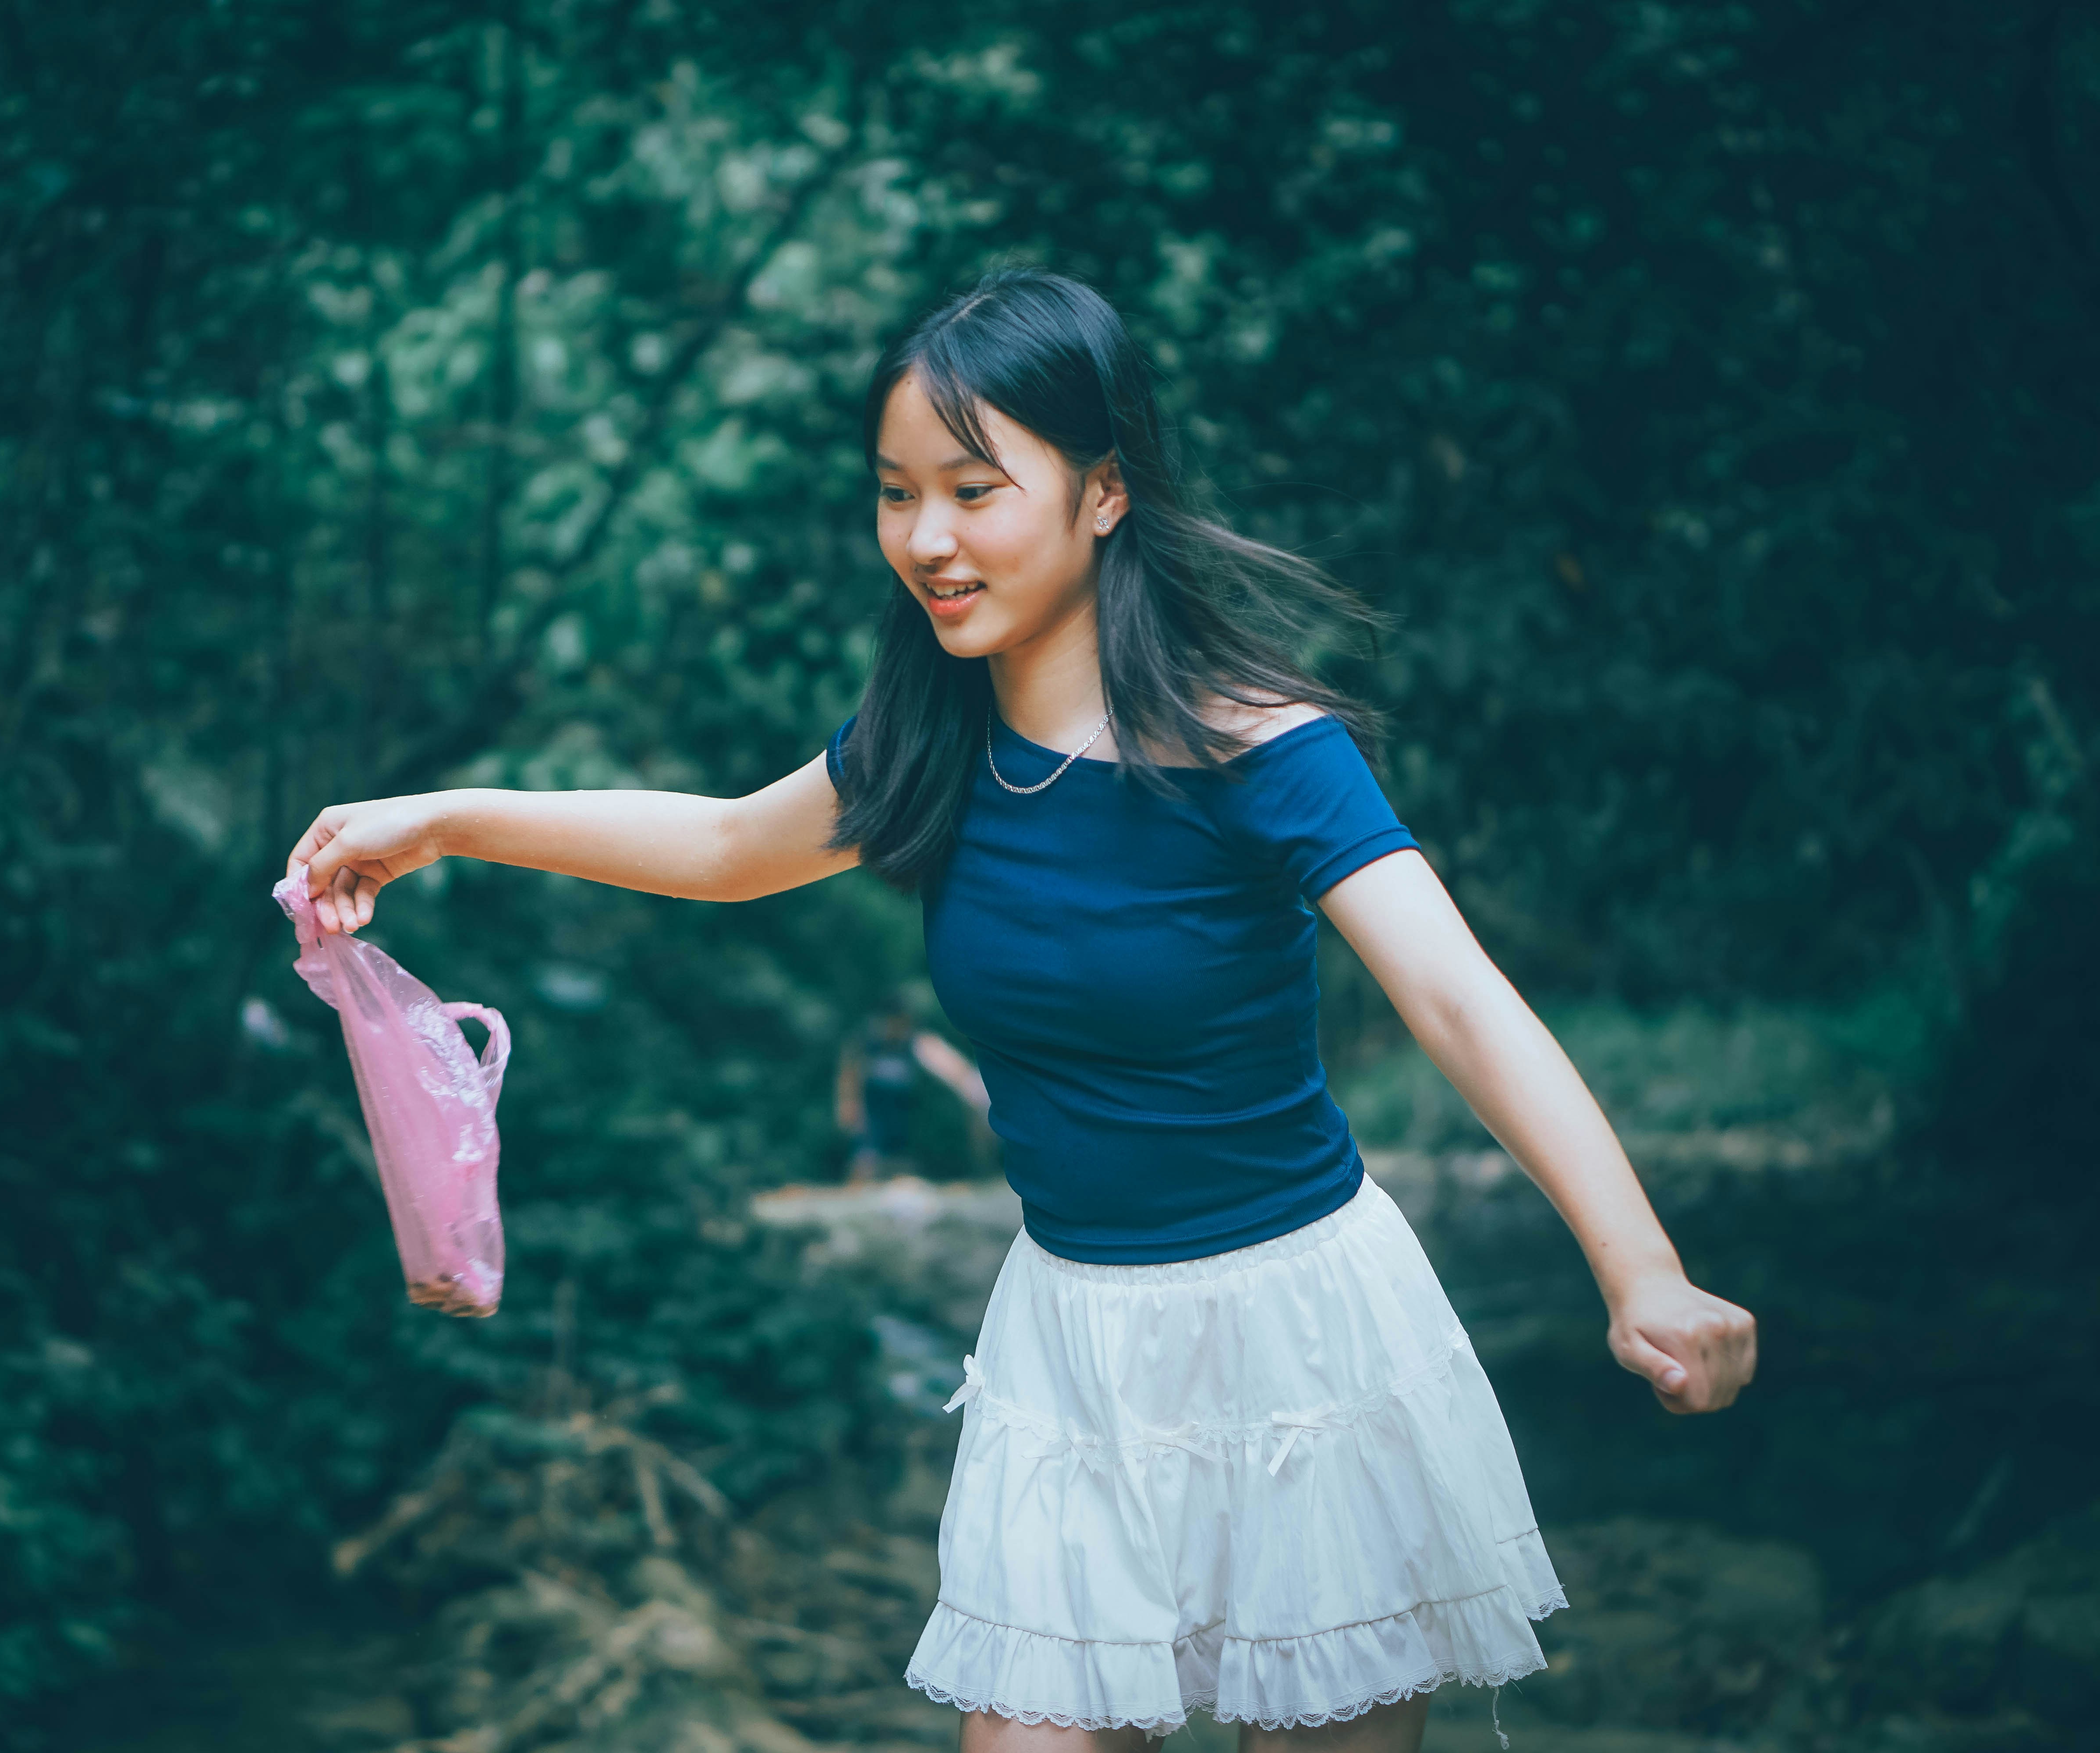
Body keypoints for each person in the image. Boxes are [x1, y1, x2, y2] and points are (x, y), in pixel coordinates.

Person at [288, 268, 1756, 1752]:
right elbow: (730, 850)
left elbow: (1453, 996)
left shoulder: (1257, 746)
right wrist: (445, 820)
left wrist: (1644, 1269)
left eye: (976, 491)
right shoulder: (928, 740)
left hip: (1301, 1338)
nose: (927, 539)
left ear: (1104, 491)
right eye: (896, 494)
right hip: (1072, 1343)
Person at [837, 997, 992, 1183]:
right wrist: (848, 1107)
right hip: (873, 1125)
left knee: (903, 1175)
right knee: (865, 1168)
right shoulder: (865, 1044)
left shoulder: (917, 1042)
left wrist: (975, 1094)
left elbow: (955, 1070)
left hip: (904, 1124)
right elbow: (849, 1079)